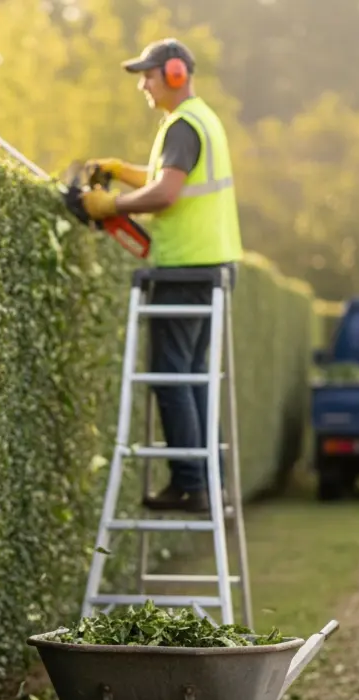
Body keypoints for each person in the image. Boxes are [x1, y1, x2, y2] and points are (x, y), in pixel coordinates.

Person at [80, 38, 244, 513]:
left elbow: (167, 194)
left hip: (187, 269)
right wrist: (119, 171)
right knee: (192, 378)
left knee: (172, 378)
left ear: (175, 73)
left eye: (148, 76)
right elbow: (165, 177)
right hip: (210, 266)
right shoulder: (198, 120)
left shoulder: (182, 126)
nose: (143, 86)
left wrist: (108, 204)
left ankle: (191, 483)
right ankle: (206, 483)